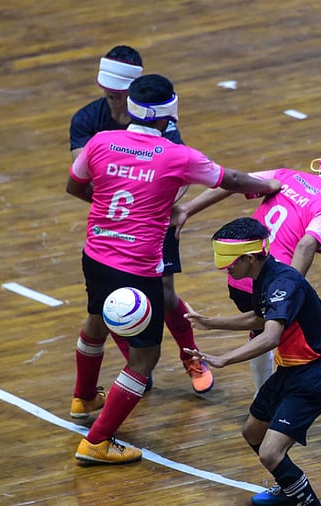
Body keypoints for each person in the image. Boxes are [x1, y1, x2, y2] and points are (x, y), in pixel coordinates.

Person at [66, 74, 281, 464]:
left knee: (96, 320)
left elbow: (75, 186)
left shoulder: (99, 142)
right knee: (144, 360)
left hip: (96, 255)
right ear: (169, 115)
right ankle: (97, 441)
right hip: (137, 269)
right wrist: (265, 187)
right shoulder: (176, 155)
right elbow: (229, 179)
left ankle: (83, 399)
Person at [173, 149, 321, 437]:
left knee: (261, 328)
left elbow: (234, 183)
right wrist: (291, 291)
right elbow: (305, 246)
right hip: (275, 279)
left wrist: (187, 210)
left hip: (239, 277)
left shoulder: (287, 176)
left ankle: (262, 401)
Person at [70, 45, 213, 394]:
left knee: (164, 296)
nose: (112, 99)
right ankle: (135, 364)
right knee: (114, 299)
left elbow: (176, 177)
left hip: (155, 220)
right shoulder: (87, 121)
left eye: (118, 94)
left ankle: (191, 356)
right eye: (108, 92)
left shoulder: (161, 122)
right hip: (115, 223)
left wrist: (158, 206)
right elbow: (84, 178)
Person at [184, 217, 321, 506]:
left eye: (231, 264)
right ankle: (289, 488)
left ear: (250, 258)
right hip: (288, 371)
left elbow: (270, 336)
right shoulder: (264, 276)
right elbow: (261, 317)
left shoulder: (284, 283)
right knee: (252, 431)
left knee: (270, 453)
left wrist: (224, 359)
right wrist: (210, 323)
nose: (227, 270)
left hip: (310, 378)